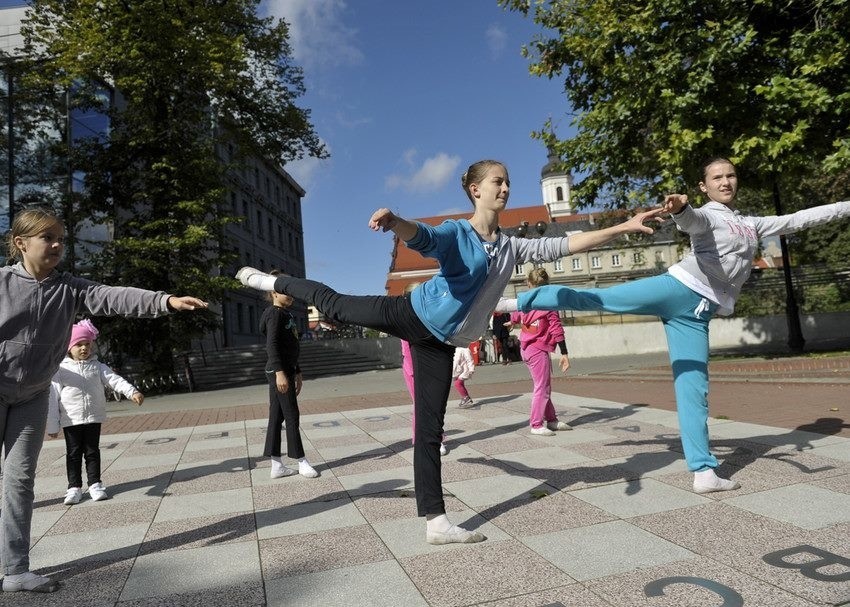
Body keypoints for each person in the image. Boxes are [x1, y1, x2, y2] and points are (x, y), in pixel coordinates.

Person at [237, 159, 664, 545]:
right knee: (334, 303)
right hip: (409, 315)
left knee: (430, 429)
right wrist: (396, 221)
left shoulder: (513, 246)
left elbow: (563, 245)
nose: (506, 188)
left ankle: (436, 522)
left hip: (442, 343)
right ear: (475, 190)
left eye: (509, 182)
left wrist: (623, 227)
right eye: (498, 181)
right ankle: (267, 281)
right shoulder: (458, 231)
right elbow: (424, 237)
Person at [497, 157, 850, 493]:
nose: (726, 181)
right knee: (599, 298)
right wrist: (681, 207)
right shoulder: (708, 216)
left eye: (730, 175)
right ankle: (507, 304)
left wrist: (844, 206)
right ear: (705, 186)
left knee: (693, 390)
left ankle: (703, 472)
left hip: (697, 313)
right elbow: (691, 220)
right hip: (675, 289)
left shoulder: (751, 223)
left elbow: (799, 218)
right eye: (717, 177)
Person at [0, 207, 207, 593]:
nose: (58, 244)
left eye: (61, 237)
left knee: (20, 481)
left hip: (30, 396)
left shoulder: (69, 288)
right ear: (20, 244)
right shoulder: (2, 283)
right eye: (47, 237)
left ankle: (15, 571)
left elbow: (112, 296)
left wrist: (165, 302)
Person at [47, 319, 144, 505]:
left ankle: (95, 484)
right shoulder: (61, 370)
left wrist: (132, 392)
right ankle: (73, 487)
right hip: (71, 420)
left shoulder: (98, 366)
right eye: (78, 345)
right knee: (73, 454)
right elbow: (52, 398)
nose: (84, 348)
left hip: (93, 417)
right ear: (69, 348)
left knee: (92, 452)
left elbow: (115, 380)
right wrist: (53, 425)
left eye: (87, 344)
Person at [261, 270, 318, 479]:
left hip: (286, 369)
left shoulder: (286, 314)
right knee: (292, 415)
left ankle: (276, 464)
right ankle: (301, 461)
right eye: (285, 290)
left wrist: (298, 371)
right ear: (274, 292)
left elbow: (291, 347)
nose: (290, 294)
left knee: (276, 416)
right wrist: (280, 373)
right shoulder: (274, 314)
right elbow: (272, 345)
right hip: (278, 370)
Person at [506, 267, 572, 436]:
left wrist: (513, 321)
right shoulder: (548, 304)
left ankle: (551, 419)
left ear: (528, 283)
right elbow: (557, 329)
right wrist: (564, 353)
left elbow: (515, 313)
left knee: (543, 385)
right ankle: (536, 424)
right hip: (538, 349)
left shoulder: (524, 300)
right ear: (547, 285)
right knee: (542, 387)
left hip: (526, 349)